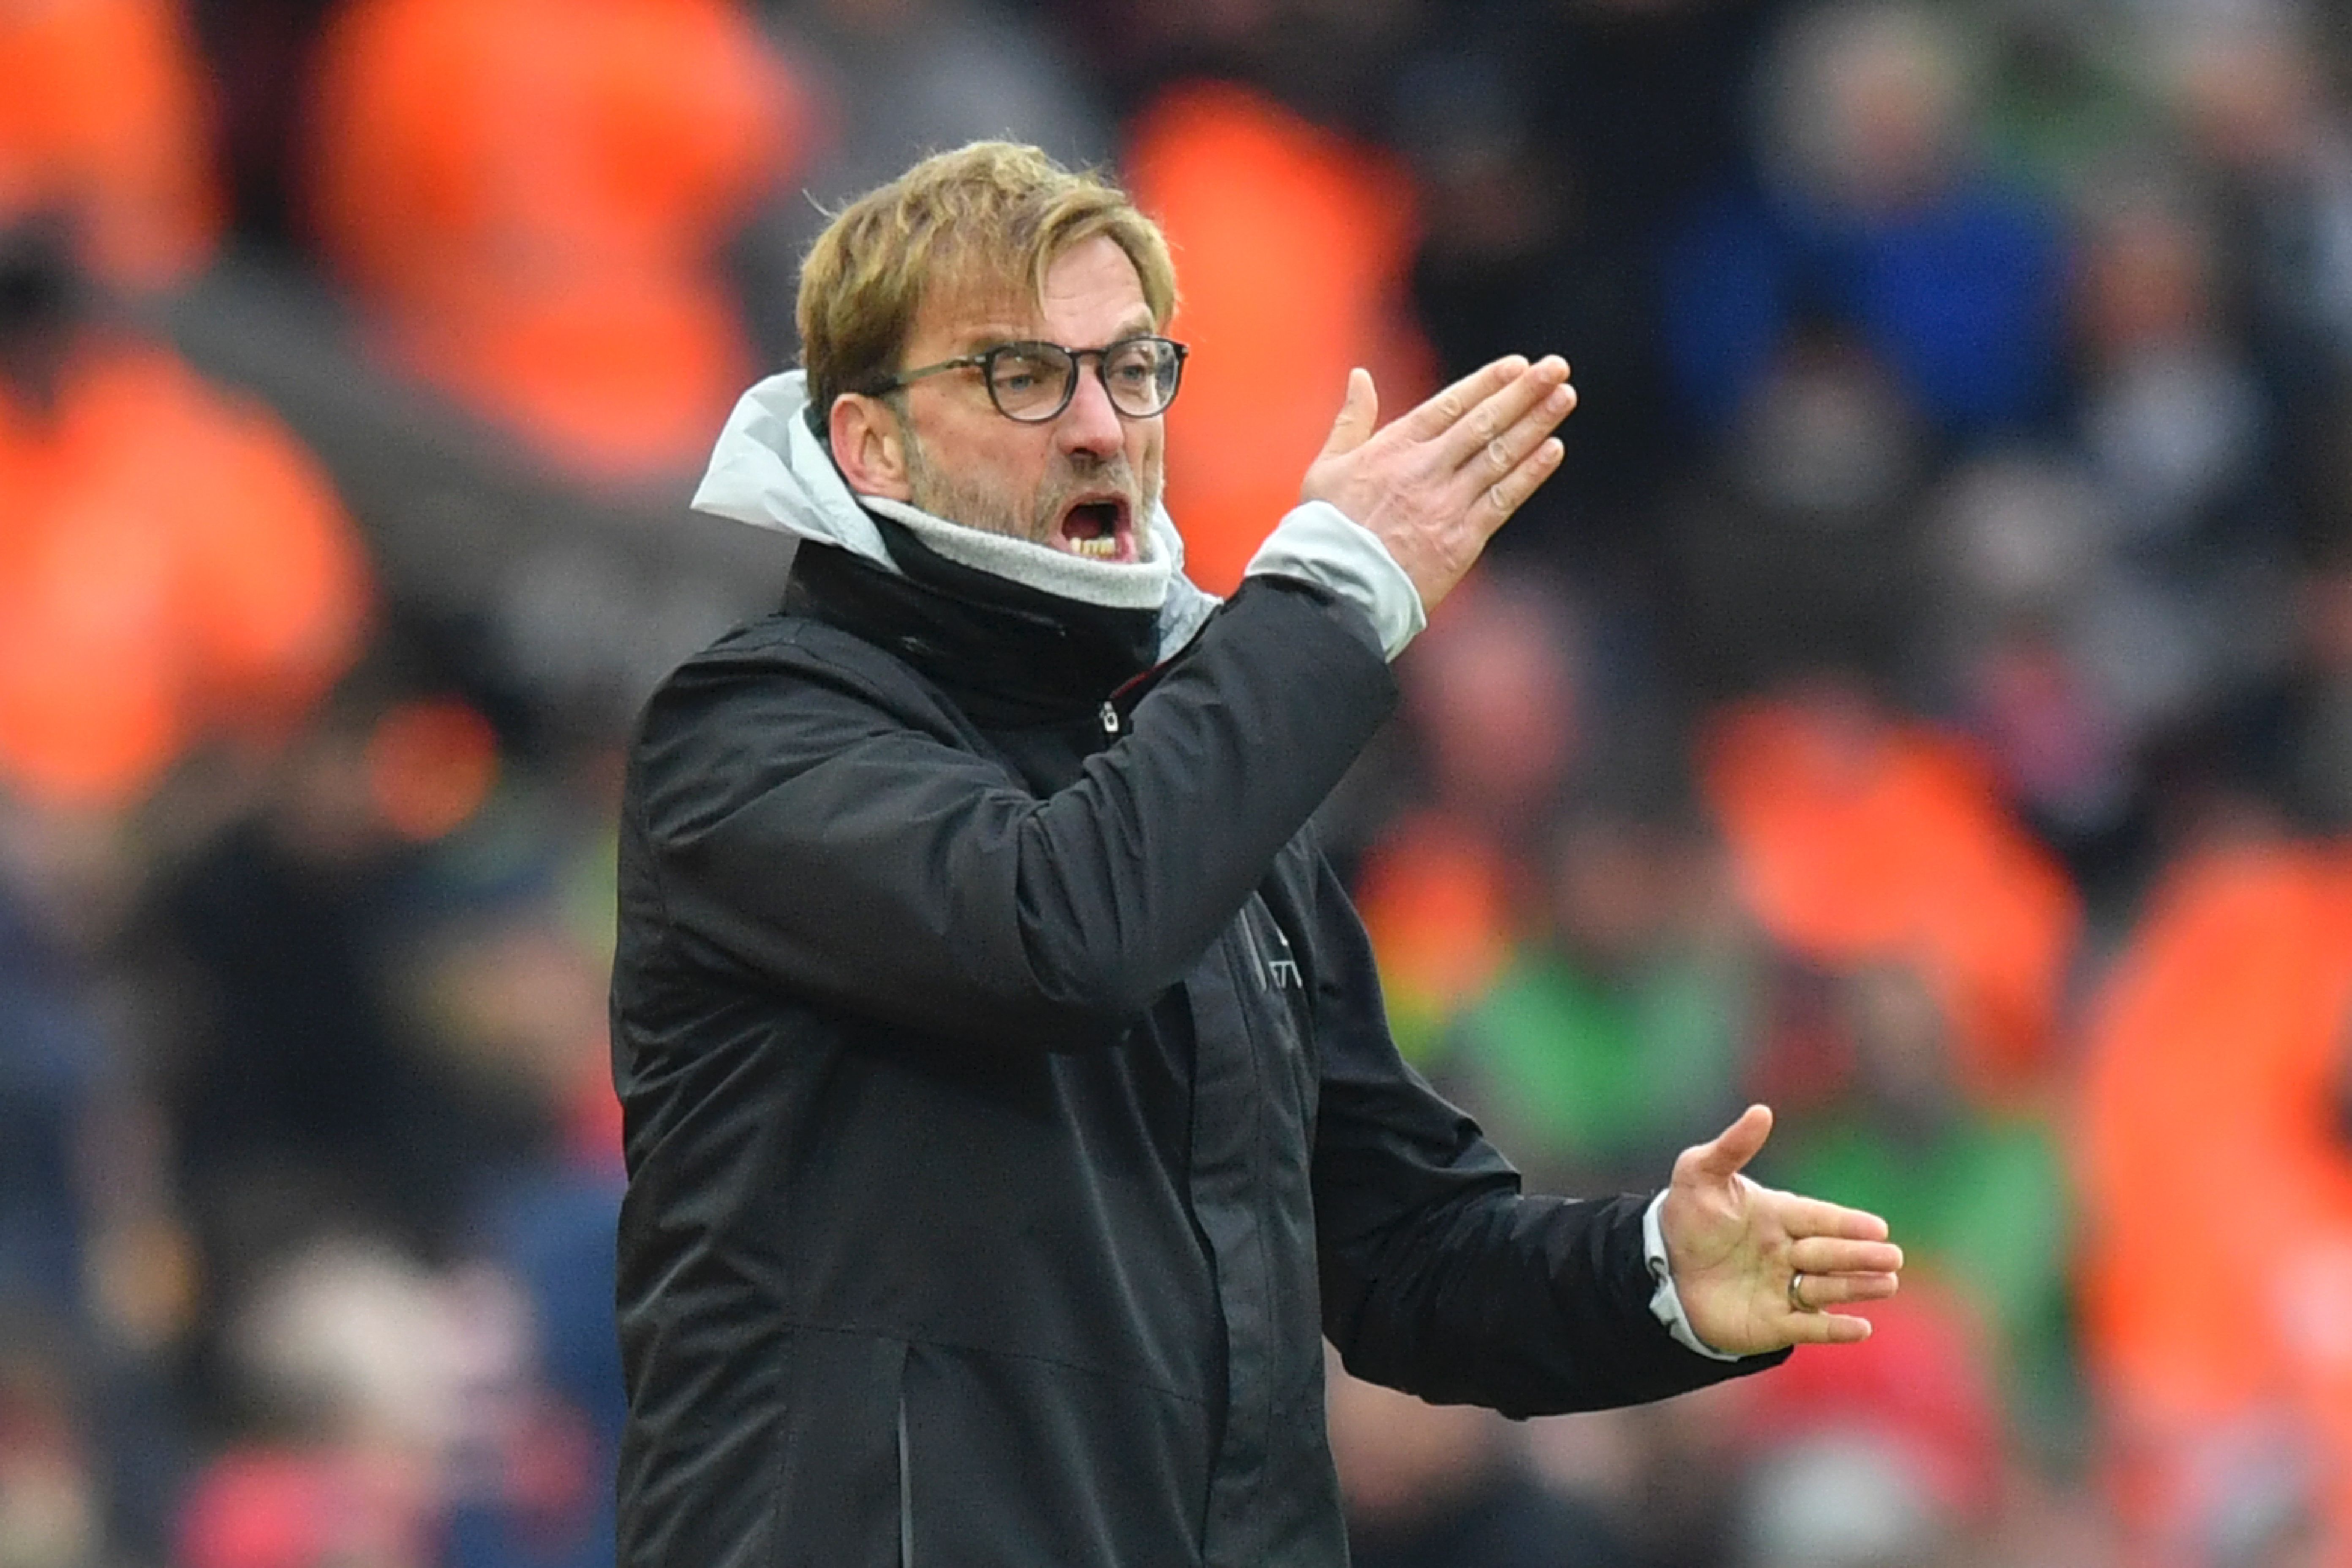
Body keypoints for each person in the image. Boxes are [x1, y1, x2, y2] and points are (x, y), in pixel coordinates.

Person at [609, 142, 1903, 1568]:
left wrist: (1655, 1275)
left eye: (1131, 369)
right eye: (1021, 376)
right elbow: (1057, 934)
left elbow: (1404, 1252)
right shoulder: (753, 733)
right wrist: (1327, 600)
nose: (1102, 426)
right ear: (869, 443)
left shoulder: (1200, 774)